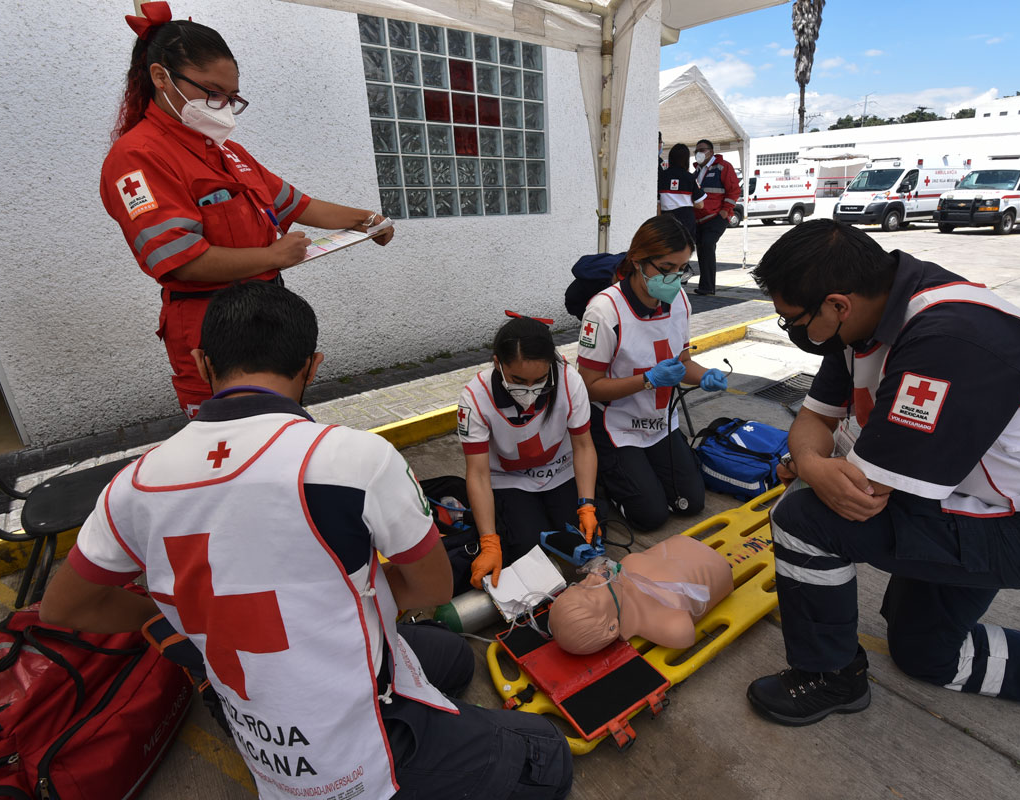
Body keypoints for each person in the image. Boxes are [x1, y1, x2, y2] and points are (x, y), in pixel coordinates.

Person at [38, 282, 573, 800]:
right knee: (547, 755)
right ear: (314, 366)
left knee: (452, 658)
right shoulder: (350, 460)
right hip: (347, 744)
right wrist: (350, 593)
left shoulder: (135, 484)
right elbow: (432, 586)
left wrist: (177, 618)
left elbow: (62, 607)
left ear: (202, 364)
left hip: (251, 719)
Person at [743, 219, 1020, 731]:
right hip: (967, 499)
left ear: (838, 304)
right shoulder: (868, 316)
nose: (794, 333)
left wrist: (816, 473)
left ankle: (829, 675)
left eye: (793, 321)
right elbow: (815, 419)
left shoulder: (950, 339)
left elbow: (866, 491)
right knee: (926, 654)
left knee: (803, 519)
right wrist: (812, 463)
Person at [101, 2, 394, 418]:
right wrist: (273, 256)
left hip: (267, 315)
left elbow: (297, 204)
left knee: (279, 422)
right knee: (225, 438)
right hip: (210, 327)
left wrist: (366, 219)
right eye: (213, 92)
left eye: (231, 96)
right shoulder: (137, 158)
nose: (222, 105)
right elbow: (177, 258)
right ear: (161, 78)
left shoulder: (227, 153)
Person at [577, 216, 727, 531]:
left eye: (683, 268)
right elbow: (589, 387)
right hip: (616, 426)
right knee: (650, 516)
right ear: (637, 260)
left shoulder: (680, 301)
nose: (675, 278)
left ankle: (637, 474)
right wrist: (647, 380)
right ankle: (607, 475)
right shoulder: (604, 312)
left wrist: (705, 375)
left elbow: (683, 363)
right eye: (666, 268)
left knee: (689, 502)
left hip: (659, 423)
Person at [458, 314, 602, 589]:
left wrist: (587, 504)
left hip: (560, 471)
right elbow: (477, 474)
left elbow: (584, 446)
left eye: (539, 380)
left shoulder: (570, 381)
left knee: (582, 540)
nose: (530, 391)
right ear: (497, 363)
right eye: (518, 380)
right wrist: (489, 541)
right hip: (509, 480)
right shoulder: (474, 397)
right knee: (526, 549)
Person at [548, 535, 733, 654]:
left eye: (580, 585)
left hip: (684, 543)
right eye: (591, 595)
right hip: (718, 566)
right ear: (612, 627)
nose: (591, 579)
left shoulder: (623, 576)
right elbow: (684, 635)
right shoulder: (664, 624)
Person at [691, 138, 741, 296]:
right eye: (696, 151)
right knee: (702, 248)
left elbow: (734, 190)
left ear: (711, 152)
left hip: (716, 217)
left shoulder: (723, 167)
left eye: (702, 149)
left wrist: (725, 211)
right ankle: (706, 287)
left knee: (707, 244)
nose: (699, 153)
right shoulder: (697, 171)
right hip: (700, 219)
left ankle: (707, 287)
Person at [658, 143, 705, 241]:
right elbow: (700, 205)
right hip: (686, 220)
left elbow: (658, 204)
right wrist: (686, 201)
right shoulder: (690, 178)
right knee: (683, 252)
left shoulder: (661, 177)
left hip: (666, 220)